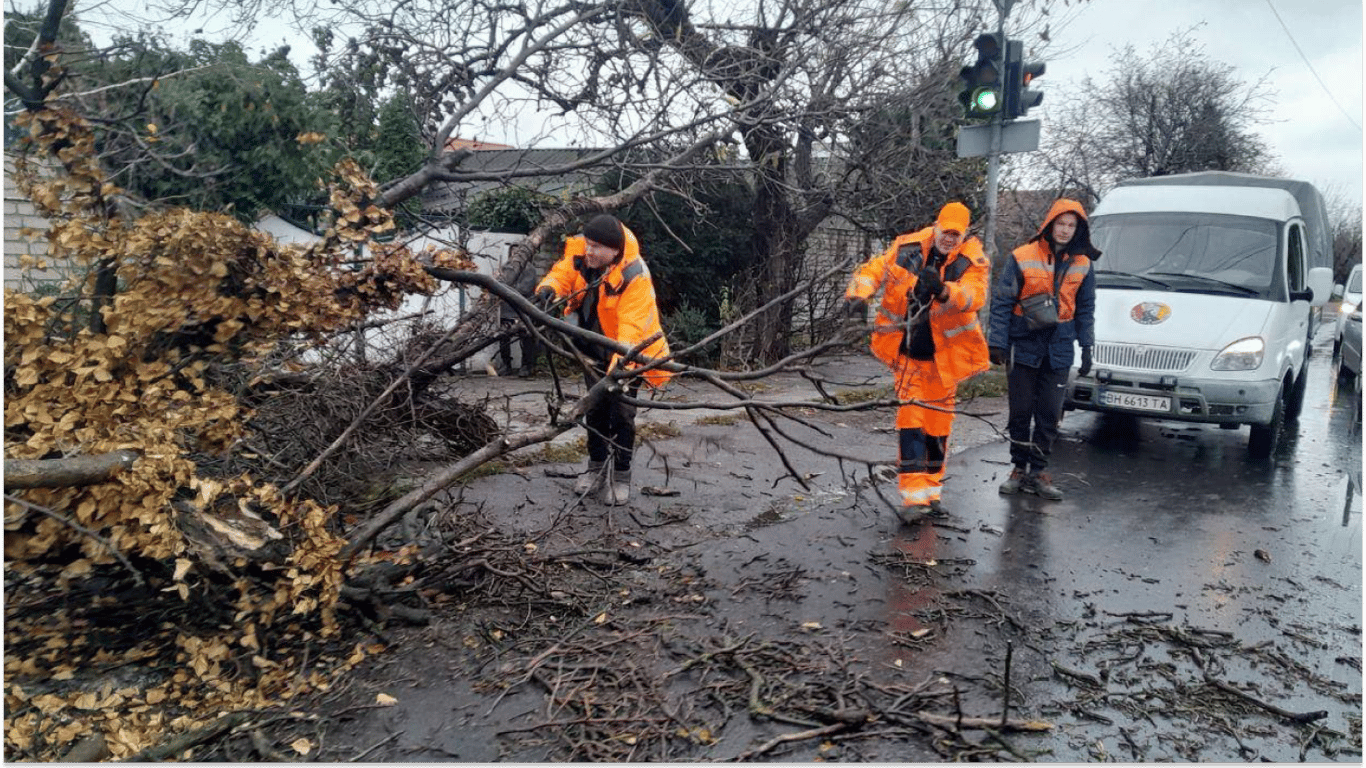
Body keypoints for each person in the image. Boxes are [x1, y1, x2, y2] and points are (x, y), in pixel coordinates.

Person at [841, 201, 991, 524]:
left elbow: (974, 295)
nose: (948, 239)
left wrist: (943, 290)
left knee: (937, 429)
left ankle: (931, 494)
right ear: (935, 226)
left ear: (963, 236)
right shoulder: (907, 247)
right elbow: (873, 270)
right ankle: (912, 498)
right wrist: (857, 295)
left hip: (944, 362)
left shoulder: (972, 260)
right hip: (908, 354)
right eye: (945, 231)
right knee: (911, 423)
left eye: (955, 234)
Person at [534, 214, 671, 506]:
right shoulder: (583, 259)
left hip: (629, 358)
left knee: (621, 415)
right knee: (594, 411)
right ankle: (595, 469)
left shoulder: (636, 277)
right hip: (593, 351)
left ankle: (621, 476)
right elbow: (561, 274)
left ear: (615, 250)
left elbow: (631, 334)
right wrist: (548, 290)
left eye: (597, 247)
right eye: (588, 244)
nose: (590, 251)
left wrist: (616, 376)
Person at [988, 198, 1100, 500]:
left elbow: (1086, 307)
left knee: (1050, 413)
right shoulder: (1022, 256)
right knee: (1021, 412)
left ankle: (1038, 471)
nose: (1064, 230)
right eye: (1060, 224)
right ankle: (1018, 468)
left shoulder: (1084, 264)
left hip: (1060, 346)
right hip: (1024, 342)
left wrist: (1087, 345)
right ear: (1049, 225)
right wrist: (997, 342)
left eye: (1071, 225)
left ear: (1078, 230)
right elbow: (1002, 301)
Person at [496, 262, 542, 377]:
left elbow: (524, 289)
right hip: (506, 309)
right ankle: (506, 365)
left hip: (522, 309)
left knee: (525, 337)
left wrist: (506, 288)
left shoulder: (529, 268)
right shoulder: (506, 267)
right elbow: (498, 284)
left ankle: (526, 366)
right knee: (503, 336)